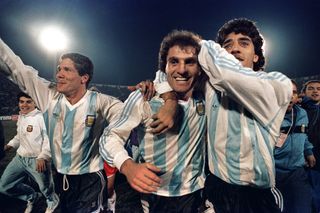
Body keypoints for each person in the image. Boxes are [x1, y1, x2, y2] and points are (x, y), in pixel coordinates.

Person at [153, 18, 292, 212]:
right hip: (217, 189)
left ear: (256, 57)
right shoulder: (211, 86)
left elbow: (227, 74)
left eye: (244, 43)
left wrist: (199, 43)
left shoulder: (277, 84)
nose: (235, 49)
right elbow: (169, 73)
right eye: (228, 45)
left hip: (255, 196)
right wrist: (170, 100)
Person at [0, 39, 124, 212]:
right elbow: (17, 69)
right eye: (59, 68)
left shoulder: (102, 102)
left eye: (67, 69)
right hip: (60, 177)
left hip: (89, 180)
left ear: (84, 78)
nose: (58, 74)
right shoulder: (49, 96)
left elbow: (128, 119)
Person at [100, 30, 207, 212]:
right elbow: (109, 137)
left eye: (190, 62)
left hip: (196, 191)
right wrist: (127, 166)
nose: (181, 69)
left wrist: (171, 99)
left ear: (199, 68)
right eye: (174, 61)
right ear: (164, 66)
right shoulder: (144, 98)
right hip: (157, 194)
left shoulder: (204, 95)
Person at [0, 92, 59, 213]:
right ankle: (32, 197)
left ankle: (52, 202)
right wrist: (8, 146)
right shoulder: (22, 116)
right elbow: (19, 137)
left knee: (46, 188)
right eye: (21, 102)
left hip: (37, 160)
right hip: (20, 159)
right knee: (5, 186)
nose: (24, 105)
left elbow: (49, 138)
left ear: (35, 103)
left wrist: (43, 157)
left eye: (28, 101)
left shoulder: (42, 117)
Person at [274, 79, 315, 213]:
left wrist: (308, 151)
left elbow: (304, 135)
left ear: (298, 96)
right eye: (286, 92)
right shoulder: (268, 115)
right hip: (274, 173)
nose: (290, 96)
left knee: (303, 208)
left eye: (294, 92)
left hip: (297, 171)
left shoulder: (302, 113)